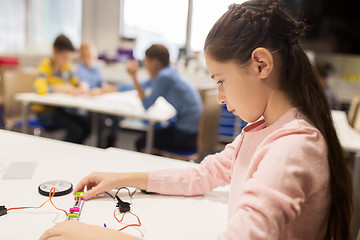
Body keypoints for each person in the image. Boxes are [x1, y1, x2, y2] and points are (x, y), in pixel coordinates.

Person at [40, 1, 354, 240]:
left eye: (221, 80)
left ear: (261, 65)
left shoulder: (293, 148)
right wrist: (121, 178)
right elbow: (203, 175)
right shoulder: (262, 131)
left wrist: (104, 235)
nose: (219, 96)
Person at [118, 44, 203, 152]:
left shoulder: (164, 77)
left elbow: (146, 104)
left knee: (141, 142)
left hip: (185, 137)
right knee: (155, 131)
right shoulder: (170, 72)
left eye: (146, 62)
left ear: (154, 62)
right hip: (191, 132)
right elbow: (144, 84)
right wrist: (112, 88)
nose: (145, 66)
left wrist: (134, 76)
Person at [33, 34, 91, 144]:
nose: (66, 61)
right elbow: (38, 89)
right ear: (54, 51)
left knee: (88, 125)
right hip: (45, 112)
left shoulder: (66, 67)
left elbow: (77, 83)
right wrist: (61, 88)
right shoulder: (46, 66)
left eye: (69, 58)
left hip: (60, 109)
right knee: (76, 130)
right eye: (64, 57)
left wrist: (82, 85)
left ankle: (73, 152)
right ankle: (62, 154)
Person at [76, 41, 120, 148]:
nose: (89, 58)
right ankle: (99, 146)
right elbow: (83, 85)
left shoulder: (96, 67)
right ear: (82, 57)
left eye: (91, 55)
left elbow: (102, 83)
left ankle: (110, 144)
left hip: (100, 100)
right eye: (86, 56)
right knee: (101, 121)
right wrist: (85, 89)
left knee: (116, 117)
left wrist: (109, 88)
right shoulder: (80, 69)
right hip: (89, 104)